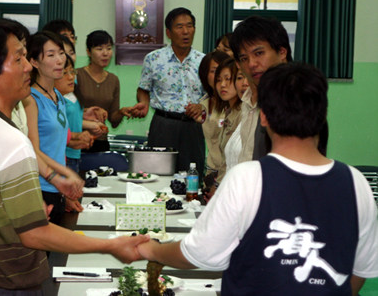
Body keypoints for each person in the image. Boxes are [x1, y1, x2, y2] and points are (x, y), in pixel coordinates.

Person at [0, 18, 149, 294]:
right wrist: (110, 245)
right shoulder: (9, 140)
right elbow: (35, 232)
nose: (29, 66)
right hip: (8, 284)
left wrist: (52, 178)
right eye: (19, 59)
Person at [137, 63, 378, 295]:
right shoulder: (356, 183)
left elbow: (200, 254)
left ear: (263, 117)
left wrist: (153, 250)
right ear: (323, 114)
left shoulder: (246, 178)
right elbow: (360, 271)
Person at [132, 7, 206, 177]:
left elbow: (211, 95)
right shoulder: (153, 59)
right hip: (163, 125)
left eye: (189, 26)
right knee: (157, 176)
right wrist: (143, 103)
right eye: (179, 27)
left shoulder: (203, 61)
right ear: (169, 32)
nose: (186, 31)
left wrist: (202, 106)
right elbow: (143, 89)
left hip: (192, 127)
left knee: (192, 177)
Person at [24, 31, 85, 224]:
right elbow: (32, 150)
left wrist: (64, 188)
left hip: (58, 188)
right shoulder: (30, 99)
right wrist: (66, 174)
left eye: (61, 53)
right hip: (40, 189)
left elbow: (56, 146)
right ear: (34, 62)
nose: (60, 60)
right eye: (50, 55)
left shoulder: (58, 96)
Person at [229, 16, 291, 163]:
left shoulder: (293, 99)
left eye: (259, 53)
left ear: (282, 52)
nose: (251, 64)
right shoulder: (248, 98)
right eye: (244, 58)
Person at [75, 30, 133, 152]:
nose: (105, 53)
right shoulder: (76, 75)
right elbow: (68, 111)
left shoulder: (113, 80)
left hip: (101, 142)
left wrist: (122, 112)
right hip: (77, 140)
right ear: (88, 52)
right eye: (99, 49)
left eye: (108, 48)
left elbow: (113, 120)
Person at [55, 54, 106, 172]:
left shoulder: (68, 92)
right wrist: (74, 139)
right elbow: (50, 135)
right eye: (64, 73)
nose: (71, 77)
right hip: (62, 156)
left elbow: (68, 120)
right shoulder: (48, 100)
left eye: (72, 72)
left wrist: (85, 115)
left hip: (74, 154)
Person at [191, 50, 230, 178]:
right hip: (211, 171)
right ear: (205, 75)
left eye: (221, 70)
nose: (219, 75)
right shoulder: (204, 104)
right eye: (213, 71)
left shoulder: (236, 104)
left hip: (230, 171)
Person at [214, 58, 242, 181]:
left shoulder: (243, 113)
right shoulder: (228, 111)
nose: (222, 85)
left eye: (228, 79)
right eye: (219, 80)